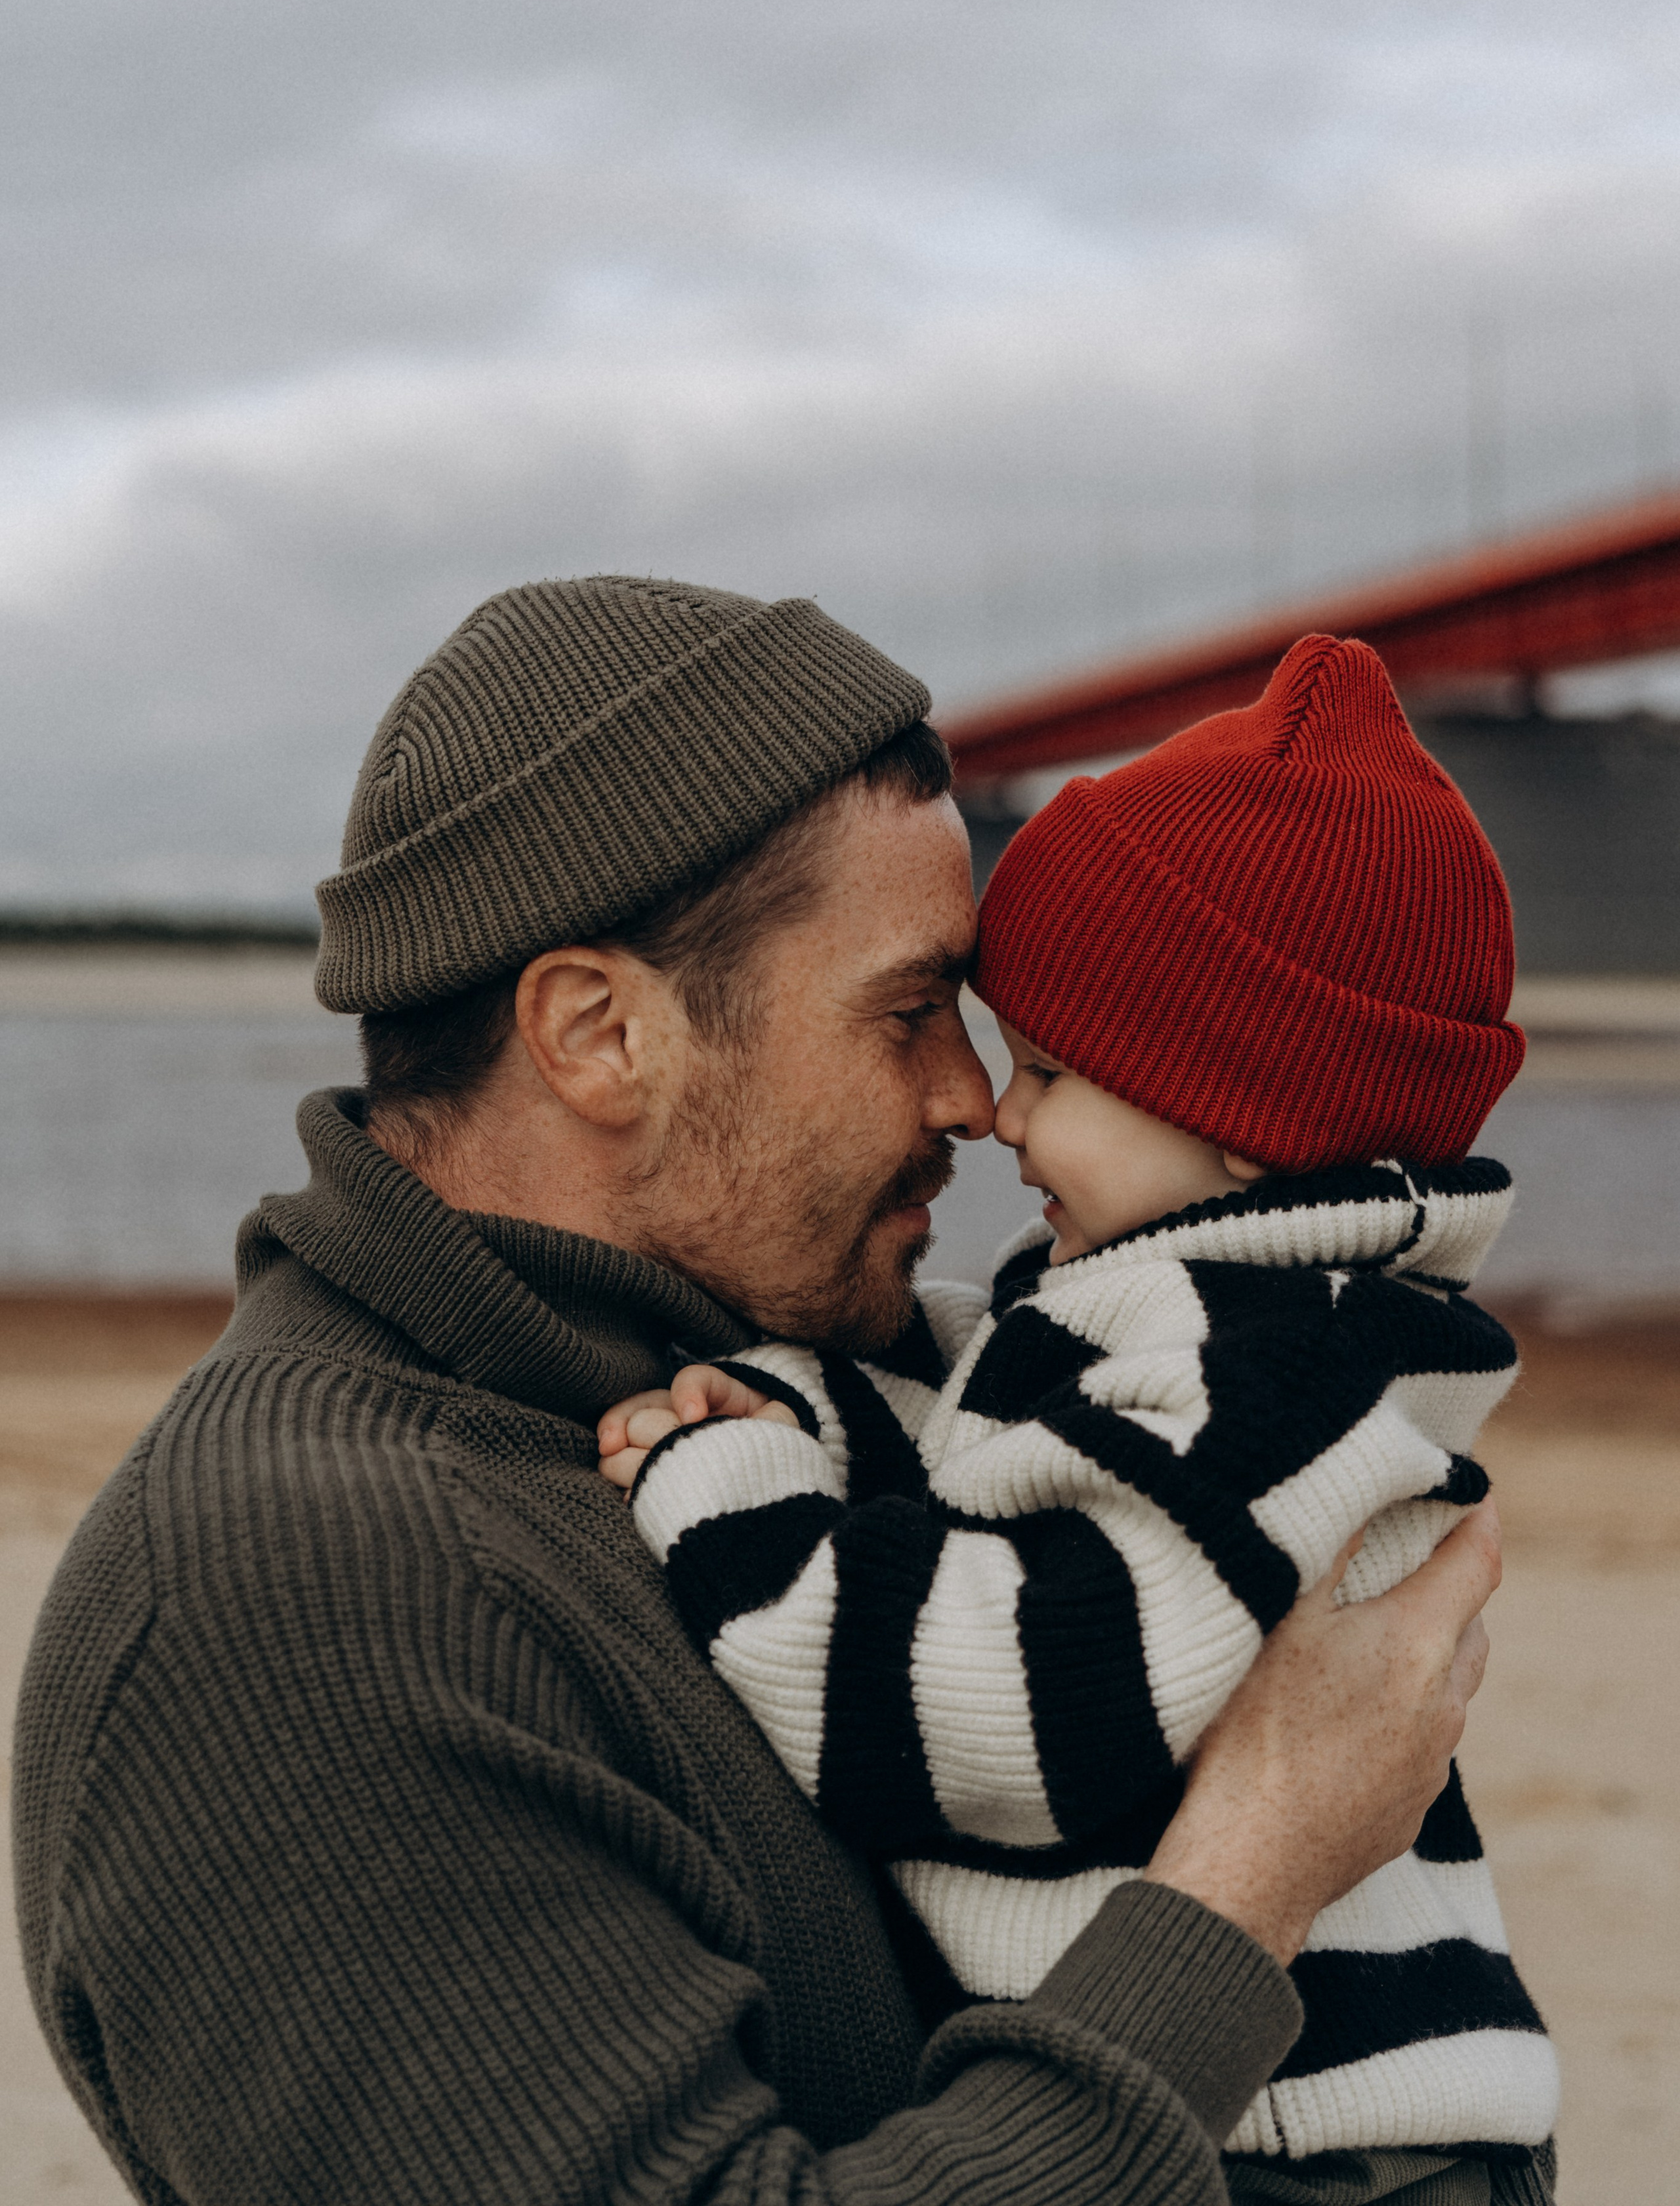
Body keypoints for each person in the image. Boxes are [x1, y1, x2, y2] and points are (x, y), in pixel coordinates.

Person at [16, 578, 1502, 2206]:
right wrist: (1250, 1876)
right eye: (910, 1010)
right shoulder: (293, 1609)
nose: (970, 1100)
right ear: (599, 1034)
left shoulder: (801, 1392)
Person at [600, 636, 1558, 2206]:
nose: (998, 1112)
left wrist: (723, 1489)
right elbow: (1006, 1428)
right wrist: (805, 1391)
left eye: (1049, 1071)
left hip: (1305, 2145)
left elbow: (992, 1710)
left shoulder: (1253, 1377)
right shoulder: (1240, 1322)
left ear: (1242, 1122)